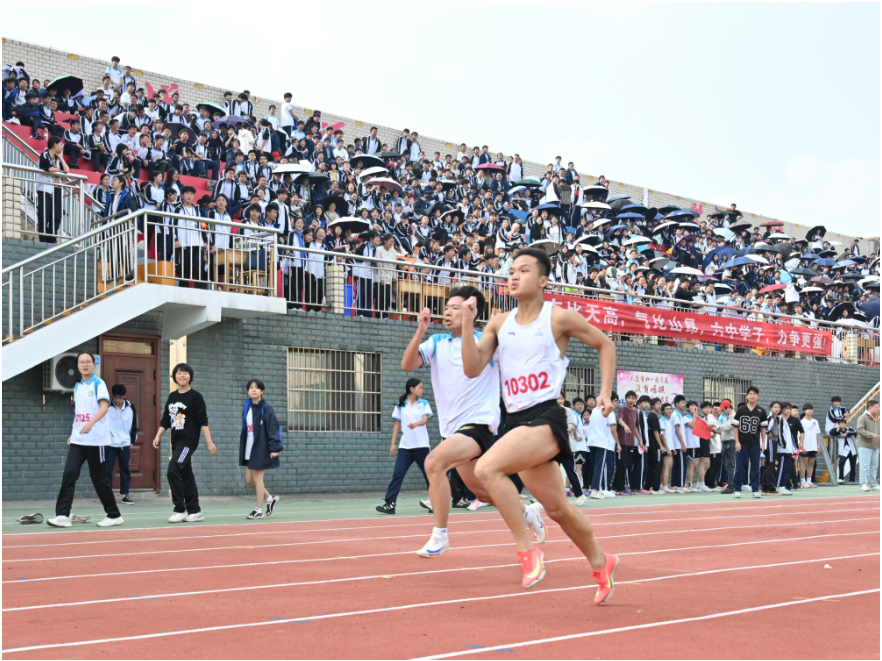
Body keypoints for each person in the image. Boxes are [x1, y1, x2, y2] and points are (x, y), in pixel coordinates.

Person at [462, 247, 619, 603]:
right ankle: (601, 561)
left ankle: (526, 549)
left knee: (487, 468)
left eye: (524, 270)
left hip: (546, 417)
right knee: (558, 509)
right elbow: (472, 369)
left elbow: (605, 344)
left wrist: (606, 392)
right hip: (516, 421)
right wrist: (470, 324)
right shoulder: (499, 323)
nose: (514, 276)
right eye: (511, 271)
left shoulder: (558, 318)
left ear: (544, 280)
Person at [400, 287, 545, 557]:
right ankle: (529, 513)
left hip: (479, 425)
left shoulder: (485, 342)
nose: (448, 312)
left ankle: (439, 535)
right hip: (452, 430)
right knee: (487, 494)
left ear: (471, 310)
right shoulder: (437, 342)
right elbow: (407, 365)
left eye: (456, 307)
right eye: (447, 308)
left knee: (434, 463)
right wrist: (420, 330)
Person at [47, 352, 124, 528]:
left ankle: (114, 515)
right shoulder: (77, 386)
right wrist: (74, 433)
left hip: (96, 440)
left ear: (93, 365)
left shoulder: (99, 383)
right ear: (78, 365)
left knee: (99, 479)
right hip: (78, 439)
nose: (85, 364)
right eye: (81, 362)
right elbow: (79, 413)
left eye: (88, 361)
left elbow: (104, 408)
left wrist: (90, 424)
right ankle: (62, 515)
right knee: (69, 474)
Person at [152, 363, 216, 522]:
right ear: (174, 376)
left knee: (173, 469)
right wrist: (158, 436)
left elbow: (203, 421)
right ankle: (195, 511)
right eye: (179, 373)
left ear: (190, 377)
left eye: (185, 373)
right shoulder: (172, 396)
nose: (182, 376)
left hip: (188, 443)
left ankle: (180, 509)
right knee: (186, 475)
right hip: (176, 443)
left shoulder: (196, 396)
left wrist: (209, 441)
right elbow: (166, 420)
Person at [377, 378, 432, 515]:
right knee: (398, 474)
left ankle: (435, 502)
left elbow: (425, 420)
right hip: (405, 447)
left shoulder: (424, 403)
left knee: (429, 475)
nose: (422, 390)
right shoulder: (400, 405)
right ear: (411, 389)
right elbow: (397, 424)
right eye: (420, 387)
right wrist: (392, 443)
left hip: (421, 446)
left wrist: (416, 424)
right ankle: (390, 504)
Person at [240, 379, 283, 519]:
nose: (254, 390)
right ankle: (270, 499)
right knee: (249, 479)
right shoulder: (247, 406)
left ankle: (258, 510)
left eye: (257, 388)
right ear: (248, 391)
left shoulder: (266, 407)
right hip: (249, 447)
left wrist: (275, 448)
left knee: (258, 478)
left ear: (262, 391)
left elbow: (274, 428)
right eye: (251, 387)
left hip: (262, 447)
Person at [733, 386, 768, 499]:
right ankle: (737, 489)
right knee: (739, 467)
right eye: (750, 394)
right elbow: (735, 427)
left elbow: (763, 428)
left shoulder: (761, 411)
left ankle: (755, 489)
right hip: (742, 443)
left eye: (754, 394)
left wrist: (763, 443)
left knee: (755, 468)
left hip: (755, 443)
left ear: (757, 396)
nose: (752, 396)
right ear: (747, 396)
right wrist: (737, 442)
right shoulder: (741, 410)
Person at [106, 384, 138, 506]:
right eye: (116, 397)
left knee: (125, 470)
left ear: (124, 396)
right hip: (110, 444)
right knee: (108, 470)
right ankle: (108, 496)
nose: (118, 400)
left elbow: (135, 423)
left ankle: (125, 495)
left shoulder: (131, 406)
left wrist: (132, 441)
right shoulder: (107, 406)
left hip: (125, 444)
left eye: (120, 397)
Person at [37, 135, 68, 243]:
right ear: (54, 144)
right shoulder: (45, 155)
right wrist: (60, 171)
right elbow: (49, 168)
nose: (62, 146)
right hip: (45, 189)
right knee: (45, 215)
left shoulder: (58, 158)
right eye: (60, 144)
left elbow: (67, 170)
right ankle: (44, 238)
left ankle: (52, 238)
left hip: (57, 188)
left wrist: (61, 158)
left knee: (56, 215)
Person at [855, 400, 880, 492]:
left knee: (874, 466)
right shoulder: (862, 418)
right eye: (877, 407)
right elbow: (860, 430)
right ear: (870, 408)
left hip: (876, 446)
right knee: (865, 466)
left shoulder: (878, 418)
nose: (878, 409)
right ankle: (863, 484)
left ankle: (873, 484)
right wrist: (872, 435)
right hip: (865, 445)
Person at [799, 404, 821, 489]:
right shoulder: (802, 422)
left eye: (811, 409)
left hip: (813, 446)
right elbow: (800, 434)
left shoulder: (815, 421)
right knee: (804, 463)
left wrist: (818, 445)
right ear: (804, 411)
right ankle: (803, 481)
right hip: (805, 446)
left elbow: (817, 433)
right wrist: (801, 445)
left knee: (811, 463)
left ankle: (809, 481)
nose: (810, 411)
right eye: (808, 409)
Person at [717, 400, 737, 494]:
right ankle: (730, 485)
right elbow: (724, 430)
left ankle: (731, 486)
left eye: (723, 409)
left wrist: (714, 426)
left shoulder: (734, 416)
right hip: (726, 443)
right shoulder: (727, 417)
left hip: (731, 443)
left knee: (730, 465)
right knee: (727, 465)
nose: (722, 411)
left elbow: (727, 427)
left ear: (727, 407)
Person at [830, 419, 858, 484]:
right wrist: (836, 427)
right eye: (841, 423)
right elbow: (831, 432)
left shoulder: (850, 429)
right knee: (841, 463)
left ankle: (852, 479)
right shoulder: (837, 431)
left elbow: (855, 432)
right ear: (839, 424)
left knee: (853, 465)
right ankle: (841, 478)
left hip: (852, 450)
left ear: (846, 424)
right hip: (843, 451)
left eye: (844, 423)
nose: (842, 425)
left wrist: (847, 434)